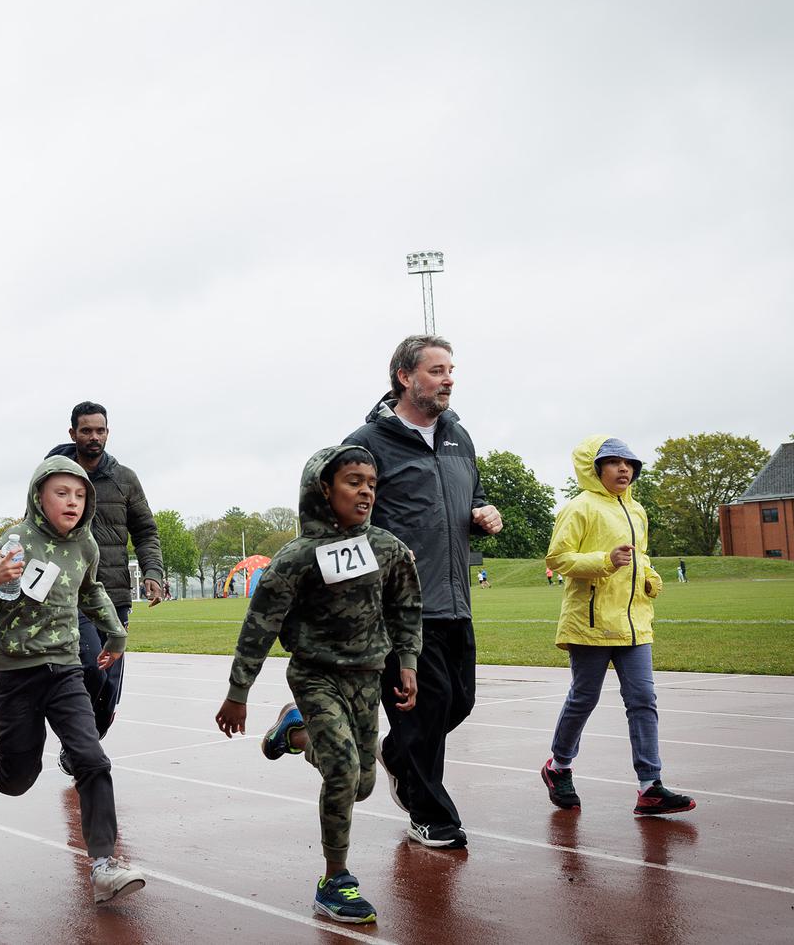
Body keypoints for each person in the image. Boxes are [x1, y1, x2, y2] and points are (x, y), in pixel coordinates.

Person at [214, 446, 422, 925]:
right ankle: (335, 881)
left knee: (364, 785)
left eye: (371, 482)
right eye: (353, 481)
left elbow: (407, 607)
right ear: (324, 489)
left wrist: (407, 661)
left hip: (367, 677)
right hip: (315, 674)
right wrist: (238, 692)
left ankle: (294, 732)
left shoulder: (387, 547)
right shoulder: (295, 558)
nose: (366, 490)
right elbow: (258, 627)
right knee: (345, 772)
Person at [0, 455, 146, 905]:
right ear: (38, 496)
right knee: (18, 779)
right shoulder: (15, 539)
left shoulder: (85, 546)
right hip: (16, 675)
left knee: (92, 758)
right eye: (61, 492)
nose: (72, 501)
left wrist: (117, 633)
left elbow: (91, 592)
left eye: (80, 494)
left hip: (64, 671)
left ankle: (104, 865)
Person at [344, 335, 501, 849]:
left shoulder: (459, 435)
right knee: (427, 707)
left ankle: (394, 753)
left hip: (456, 598)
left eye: (451, 369)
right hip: (400, 605)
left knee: (458, 704)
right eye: (436, 370)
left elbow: (470, 496)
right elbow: (344, 520)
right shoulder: (367, 443)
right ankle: (430, 813)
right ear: (404, 377)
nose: (448, 378)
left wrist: (483, 515)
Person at [540, 437, 696, 816]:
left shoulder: (637, 510)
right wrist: (605, 561)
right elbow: (558, 559)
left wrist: (650, 576)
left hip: (635, 624)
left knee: (643, 700)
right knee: (584, 698)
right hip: (590, 623)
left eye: (629, 463)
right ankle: (558, 767)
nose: (624, 469)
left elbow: (639, 556)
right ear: (595, 469)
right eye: (613, 462)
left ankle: (650, 786)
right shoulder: (580, 507)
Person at [45, 401, 165, 772]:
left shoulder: (125, 479)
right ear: (72, 434)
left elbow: (146, 531)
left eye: (100, 430)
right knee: (90, 668)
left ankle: (87, 740)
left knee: (108, 687)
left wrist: (153, 573)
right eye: (86, 430)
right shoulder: (54, 478)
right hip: (70, 596)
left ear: (108, 433)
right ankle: (79, 745)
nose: (93, 437)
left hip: (114, 595)